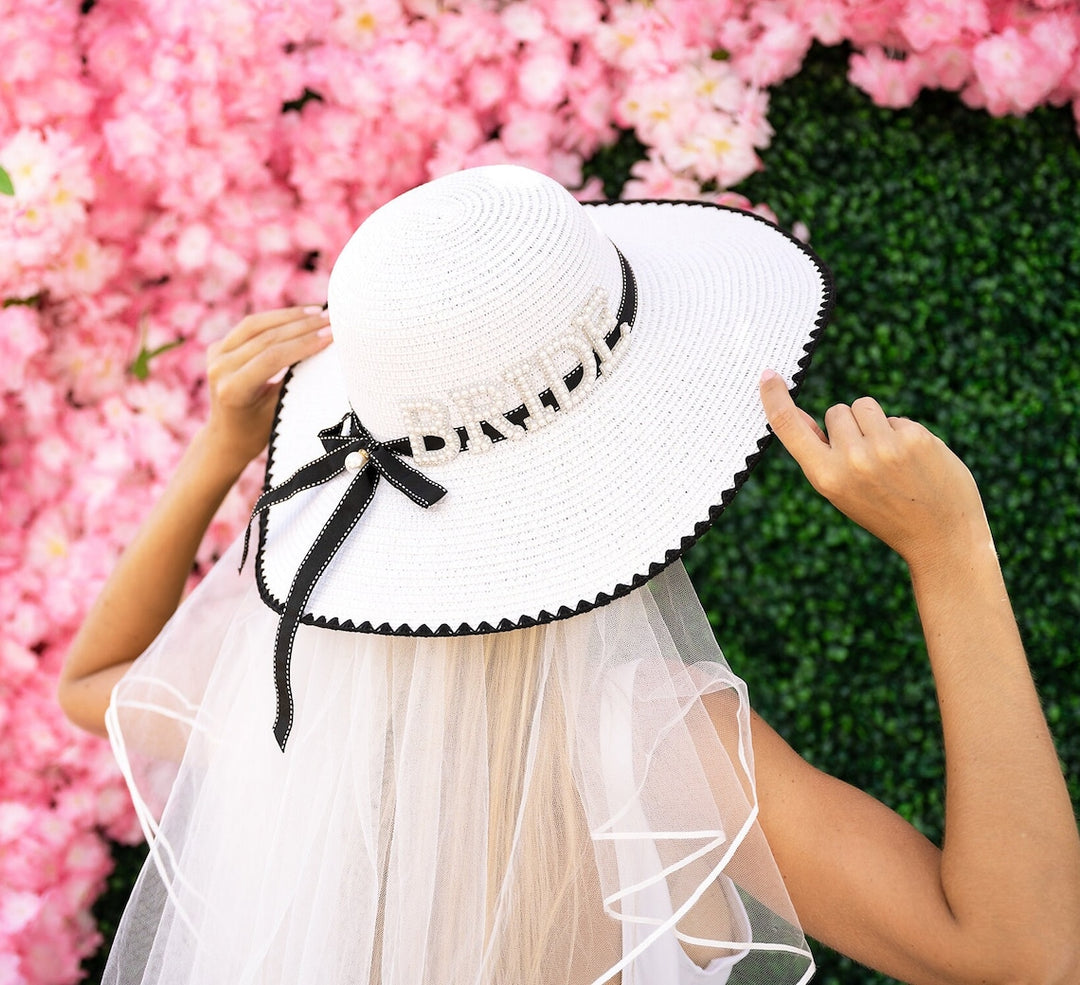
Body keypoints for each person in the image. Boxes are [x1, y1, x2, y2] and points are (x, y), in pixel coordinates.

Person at [58, 166, 1079, 985]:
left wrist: (219, 451)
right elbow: (1017, 957)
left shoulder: (287, 685)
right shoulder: (650, 740)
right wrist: (952, 557)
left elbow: (90, 685)